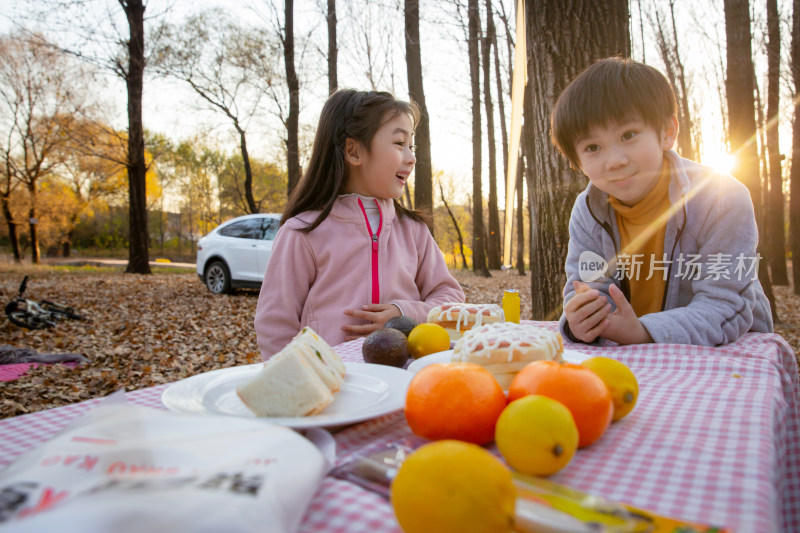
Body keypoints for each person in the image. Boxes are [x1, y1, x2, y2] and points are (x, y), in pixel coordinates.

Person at [552, 57, 773, 347]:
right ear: (577, 162)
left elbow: (725, 305)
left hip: (731, 351)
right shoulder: (588, 211)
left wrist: (642, 331)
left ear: (668, 132)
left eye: (628, 135)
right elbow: (588, 289)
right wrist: (581, 322)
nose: (615, 161)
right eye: (593, 147)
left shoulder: (722, 197)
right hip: (635, 354)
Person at [255, 89, 465, 358]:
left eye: (412, 146)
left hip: (406, 380)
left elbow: (450, 297)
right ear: (354, 151)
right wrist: (295, 384)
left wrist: (404, 312)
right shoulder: (302, 233)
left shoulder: (414, 232)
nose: (411, 157)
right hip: (335, 385)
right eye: (400, 143)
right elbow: (275, 326)